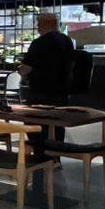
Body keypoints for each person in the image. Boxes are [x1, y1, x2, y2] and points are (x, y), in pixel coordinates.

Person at [18, 12, 76, 159]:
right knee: (58, 125)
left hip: (41, 91)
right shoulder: (67, 40)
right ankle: (56, 156)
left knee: (35, 123)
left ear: (45, 24)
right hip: (62, 91)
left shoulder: (39, 43)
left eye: (38, 23)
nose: (37, 26)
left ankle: (41, 155)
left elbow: (26, 67)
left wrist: (21, 71)